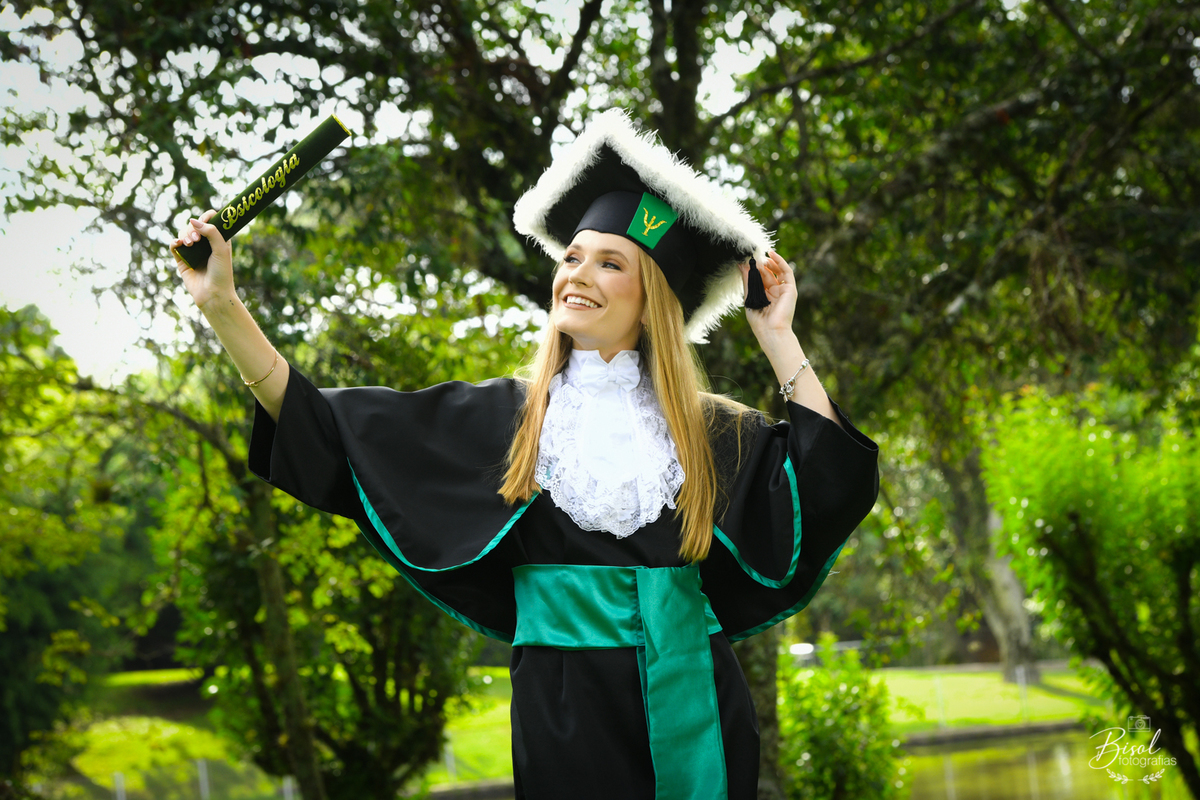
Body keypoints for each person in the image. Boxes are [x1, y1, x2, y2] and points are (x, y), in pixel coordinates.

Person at [172, 109, 879, 800]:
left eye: (611, 264)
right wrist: (223, 306)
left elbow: (828, 482)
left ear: (652, 301)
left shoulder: (708, 432)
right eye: (572, 256)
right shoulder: (501, 421)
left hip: (698, 700)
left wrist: (777, 335)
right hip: (562, 712)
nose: (578, 274)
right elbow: (321, 429)